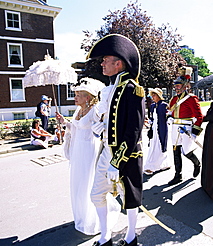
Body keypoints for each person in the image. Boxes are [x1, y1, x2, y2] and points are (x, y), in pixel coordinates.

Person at [87, 34, 145, 246]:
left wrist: (117, 161)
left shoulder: (132, 89)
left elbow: (134, 130)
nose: (102, 63)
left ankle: (131, 238)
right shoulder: (110, 89)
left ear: (118, 63)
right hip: (107, 153)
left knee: (130, 198)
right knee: (96, 195)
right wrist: (101, 127)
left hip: (126, 155)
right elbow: (113, 123)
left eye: (105, 60)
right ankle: (105, 237)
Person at [55, 77, 113, 235]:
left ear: (88, 97)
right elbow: (75, 128)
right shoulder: (77, 111)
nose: (75, 97)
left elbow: (100, 129)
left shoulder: (94, 110)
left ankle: (92, 217)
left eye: (78, 94)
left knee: (88, 183)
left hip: (89, 150)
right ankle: (81, 215)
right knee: (78, 182)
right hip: (77, 150)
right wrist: (64, 122)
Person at [167, 66, 203, 186]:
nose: (176, 88)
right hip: (175, 128)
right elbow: (170, 112)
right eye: (175, 86)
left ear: (185, 86)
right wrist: (169, 117)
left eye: (178, 85)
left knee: (186, 151)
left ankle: (197, 163)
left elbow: (199, 116)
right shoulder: (173, 99)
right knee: (175, 151)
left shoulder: (191, 99)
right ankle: (178, 175)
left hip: (186, 127)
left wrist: (194, 132)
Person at [143, 88, 171, 175]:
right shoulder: (152, 106)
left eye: (154, 95)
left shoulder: (164, 105)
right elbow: (152, 118)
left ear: (158, 96)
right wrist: (149, 122)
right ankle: (153, 165)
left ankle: (154, 166)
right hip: (154, 129)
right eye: (152, 95)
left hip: (161, 128)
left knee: (160, 146)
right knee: (153, 146)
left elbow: (169, 116)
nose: (152, 97)